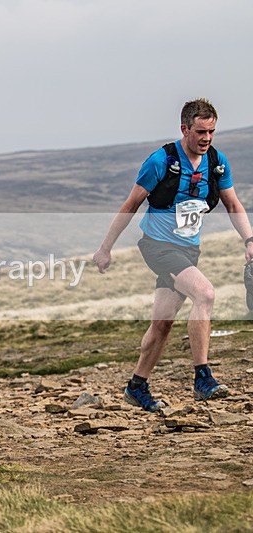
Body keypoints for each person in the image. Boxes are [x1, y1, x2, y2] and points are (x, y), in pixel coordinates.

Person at [93, 98, 253, 412]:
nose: (206, 138)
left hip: (188, 249)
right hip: (158, 247)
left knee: (162, 323)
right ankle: (203, 379)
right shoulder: (160, 161)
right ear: (184, 129)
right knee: (205, 294)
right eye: (200, 131)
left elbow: (234, 205)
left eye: (211, 132)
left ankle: (136, 386)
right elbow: (130, 205)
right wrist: (105, 248)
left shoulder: (217, 163)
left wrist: (249, 238)